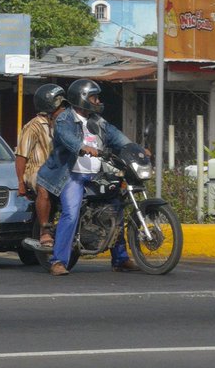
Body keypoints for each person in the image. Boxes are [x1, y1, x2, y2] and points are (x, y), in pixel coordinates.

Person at [35, 78, 138, 276]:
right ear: (82, 98)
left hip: (96, 175)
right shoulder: (65, 119)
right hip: (72, 175)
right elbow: (67, 138)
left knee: (116, 208)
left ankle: (120, 259)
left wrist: (135, 148)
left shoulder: (98, 122)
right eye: (94, 97)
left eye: (98, 98)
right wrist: (83, 147)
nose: (98, 101)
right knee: (71, 213)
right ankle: (58, 261)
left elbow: (117, 137)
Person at [17, 84, 69, 251]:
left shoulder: (63, 124)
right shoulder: (33, 126)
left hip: (58, 169)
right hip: (37, 170)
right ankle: (45, 231)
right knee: (44, 185)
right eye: (59, 104)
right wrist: (20, 182)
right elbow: (21, 156)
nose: (63, 108)